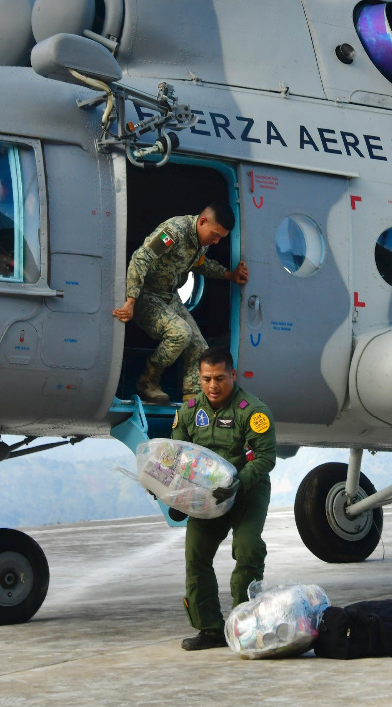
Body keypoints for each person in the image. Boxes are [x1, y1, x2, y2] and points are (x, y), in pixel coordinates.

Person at [167, 346, 276, 650]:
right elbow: (178, 459)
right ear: (199, 378)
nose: (213, 386)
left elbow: (265, 458)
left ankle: (244, 625)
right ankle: (211, 630)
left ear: (233, 375)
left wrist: (238, 483)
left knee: (248, 549)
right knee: (196, 556)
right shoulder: (188, 411)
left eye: (219, 378)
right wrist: (174, 497)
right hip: (206, 497)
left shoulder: (252, 411)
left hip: (247, 491)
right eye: (206, 379)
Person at [114, 202, 249, 403]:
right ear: (203, 221)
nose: (217, 241)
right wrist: (131, 300)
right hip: (146, 295)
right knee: (180, 333)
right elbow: (141, 258)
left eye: (221, 237)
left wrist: (230, 275)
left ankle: (192, 401)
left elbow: (201, 265)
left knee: (199, 346)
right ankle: (148, 381)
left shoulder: (203, 242)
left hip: (169, 296)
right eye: (215, 235)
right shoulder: (174, 232)